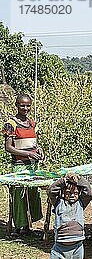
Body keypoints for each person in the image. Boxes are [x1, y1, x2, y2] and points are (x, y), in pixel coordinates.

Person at [42, 173, 92, 259]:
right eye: (68, 192)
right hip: (59, 248)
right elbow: (52, 190)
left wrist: (79, 180)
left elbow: (88, 190)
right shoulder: (58, 202)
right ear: (63, 193)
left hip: (77, 247)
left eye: (75, 192)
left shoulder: (81, 203)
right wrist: (64, 181)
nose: (72, 195)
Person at [3, 93, 44, 236]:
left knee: (33, 194)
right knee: (19, 195)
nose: (25, 108)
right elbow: (8, 147)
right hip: (19, 165)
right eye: (22, 105)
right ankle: (19, 227)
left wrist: (39, 150)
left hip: (33, 165)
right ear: (16, 105)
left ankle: (29, 226)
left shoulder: (32, 123)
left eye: (27, 105)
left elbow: (34, 143)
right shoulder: (11, 124)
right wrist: (27, 154)